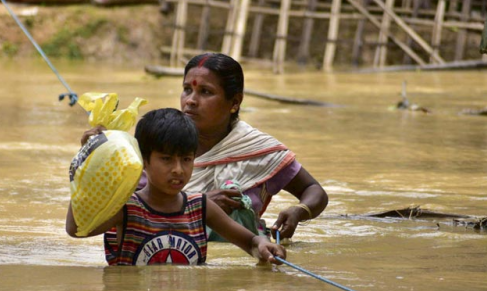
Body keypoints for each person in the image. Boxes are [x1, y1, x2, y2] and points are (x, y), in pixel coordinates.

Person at [81, 52, 328, 241]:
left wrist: (300, 211)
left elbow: (314, 190)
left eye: (205, 92)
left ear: (234, 102)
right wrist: (97, 153)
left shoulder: (260, 150)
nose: (190, 100)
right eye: (187, 89)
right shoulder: (150, 146)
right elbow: (111, 211)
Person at [67, 108, 286, 266]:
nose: (178, 170)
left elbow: (250, 242)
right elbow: (76, 229)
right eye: (166, 159)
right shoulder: (127, 208)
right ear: (144, 161)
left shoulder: (201, 207)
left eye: (186, 159)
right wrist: (86, 167)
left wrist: (263, 246)